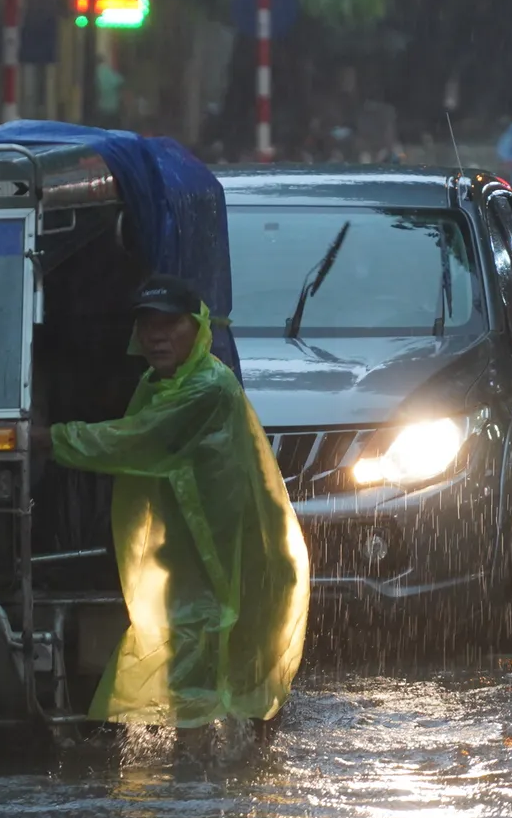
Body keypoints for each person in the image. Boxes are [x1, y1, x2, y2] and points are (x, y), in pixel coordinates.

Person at [31, 276, 309, 737]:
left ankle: (204, 789)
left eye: (170, 325)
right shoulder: (159, 382)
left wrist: (45, 439)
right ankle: (210, 783)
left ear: (197, 328)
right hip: (195, 555)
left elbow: (132, 440)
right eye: (147, 325)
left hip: (231, 556)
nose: (156, 336)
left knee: (214, 675)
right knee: (204, 675)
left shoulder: (208, 389)